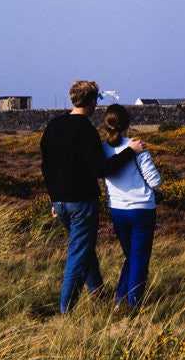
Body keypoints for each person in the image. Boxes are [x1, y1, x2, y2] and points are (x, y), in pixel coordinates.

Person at [40, 79, 145, 314]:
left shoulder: (53, 126)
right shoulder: (86, 129)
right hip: (82, 203)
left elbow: (46, 167)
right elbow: (100, 170)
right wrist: (130, 151)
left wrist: (53, 200)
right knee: (77, 256)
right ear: (93, 100)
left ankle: (98, 293)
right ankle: (65, 312)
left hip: (59, 203)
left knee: (84, 249)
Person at [100, 103, 162, 308]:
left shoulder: (102, 148)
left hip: (117, 210)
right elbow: (155, 182)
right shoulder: (137, 147)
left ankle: (120, 300)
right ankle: (133, 304)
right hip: (142, 209)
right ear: (127, 124)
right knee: (139, 258)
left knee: (130, 256)